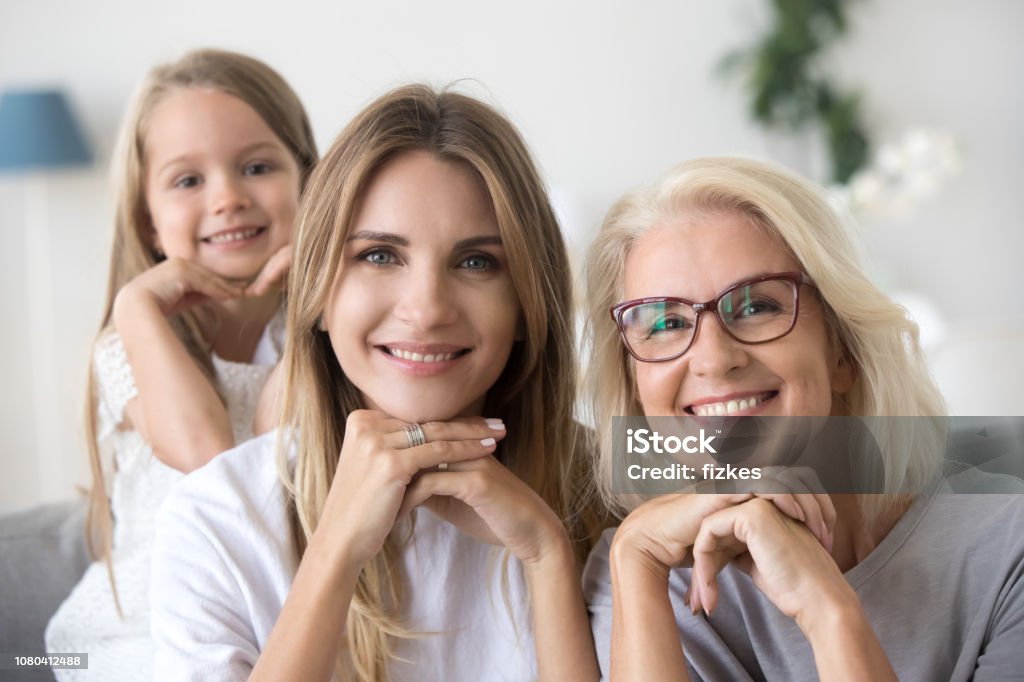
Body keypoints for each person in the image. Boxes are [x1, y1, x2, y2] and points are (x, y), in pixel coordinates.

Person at [151, 84, 605, 681]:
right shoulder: (213, 516)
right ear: (315, 292)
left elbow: (764, 455)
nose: (426, 309)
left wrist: (547, 551)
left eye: (476, 262)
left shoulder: (608, 473)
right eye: (380, 255)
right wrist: (335, 551)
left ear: (527, 304)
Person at [582, 157, 1024, 681]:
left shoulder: (1007, 550)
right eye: (666, 321)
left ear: (842, 350)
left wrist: (829, 613)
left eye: (756, 307)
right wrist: (636, 561)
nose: (713, 358)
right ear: (634, 381)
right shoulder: (641, 565)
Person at [44, 49, 317, 680]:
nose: (228, 198)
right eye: (188, 180)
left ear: (310, 179)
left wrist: (316, 296)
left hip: (281, 614)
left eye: (257, 166)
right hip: (148, 628)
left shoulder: (327, 326)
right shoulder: (128, 340)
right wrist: (136, 304)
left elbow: (281, 454)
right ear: (149, 219)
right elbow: (211, 454)